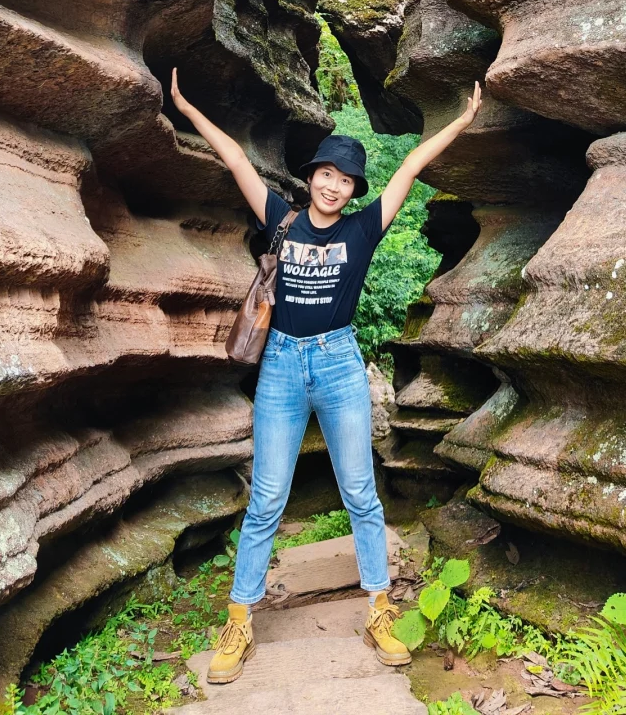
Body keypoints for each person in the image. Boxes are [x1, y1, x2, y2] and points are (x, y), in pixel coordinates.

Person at [169, 68, 482, 685]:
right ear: (311, 177)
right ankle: (239, 621)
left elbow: (410, 168)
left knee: (361, 495)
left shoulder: (365, 229)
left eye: (346, 180)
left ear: (352, 188)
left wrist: (463, 122)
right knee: (265, 500)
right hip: (282, 363)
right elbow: (235, 159)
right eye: (327, 175)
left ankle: (378, 611)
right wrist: (184, 105)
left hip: (339, 363)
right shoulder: (282, 218)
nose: (335, 187)